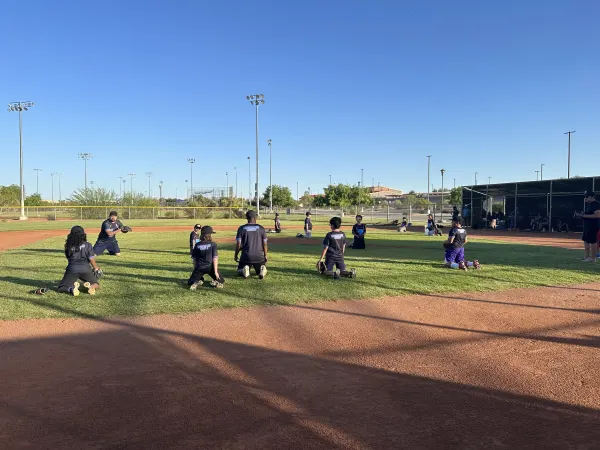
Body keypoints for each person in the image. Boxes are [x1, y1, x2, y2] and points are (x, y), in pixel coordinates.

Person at [58, 226, 102, 296]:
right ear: (83, 234)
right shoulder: (88, 245)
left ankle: (71, 289)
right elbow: (91, 258)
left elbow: (68, 257)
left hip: (72, 269)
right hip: (86, 269)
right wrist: (95, 267)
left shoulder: (68, 245)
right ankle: (91, 287)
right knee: (96, 283)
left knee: (62, 287)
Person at [235, 210, 268, 279]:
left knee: (239, 271)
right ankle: (262, 270)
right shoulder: (261, 228)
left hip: (246, 256)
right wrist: (265, 256)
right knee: (259, 271)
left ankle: (245, 269)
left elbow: (238, 244)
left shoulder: (241, 228)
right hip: (259, 256)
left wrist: (236, 255)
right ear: (255, 218)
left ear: (247, 218)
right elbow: (265, 244)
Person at [579, 191, 600, 262]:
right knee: (586, 241)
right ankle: (587, 257)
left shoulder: (596, 204)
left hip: (593, 226)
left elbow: (597, 215)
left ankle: (593, 258)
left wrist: (584, 216)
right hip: (587, 226)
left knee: (593, 242)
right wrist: (582, 215)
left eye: (587, 196)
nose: (585, 198)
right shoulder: (589, 204)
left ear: (591, 196)